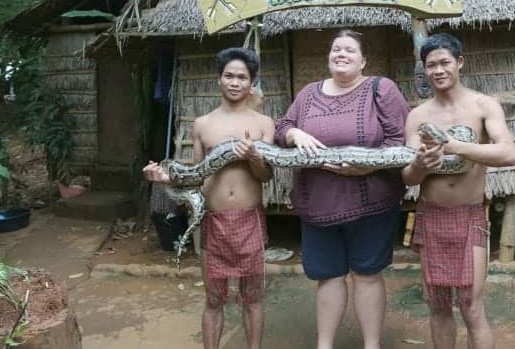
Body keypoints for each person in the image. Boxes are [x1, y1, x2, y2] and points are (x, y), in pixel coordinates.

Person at [275, 29, 410, 349]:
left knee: (367, 275)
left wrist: (370, 165)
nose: (341, 54)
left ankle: (372, 345)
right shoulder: (308, 93)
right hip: (317, 204)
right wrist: (294, 134)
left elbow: (400, 142)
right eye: (336, 49)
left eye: (350, 50)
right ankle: (325, 345)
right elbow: (281, 128)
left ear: (364, 60)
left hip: (371, 204)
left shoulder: (381, 89)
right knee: (328, 275)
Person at [143, 47, 275, 349]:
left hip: (249, 220)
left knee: (253, 299)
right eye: (229, 75)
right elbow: (197, 175)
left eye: (242, 77)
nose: (235, 82)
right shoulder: (202, 124)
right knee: (213, 299)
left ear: (251, 83)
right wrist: (166, 178)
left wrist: (254, 156)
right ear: (219, 80)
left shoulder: (264, 124)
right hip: (213, 222)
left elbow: (266, 176)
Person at [402, 33, 515, 349]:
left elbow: (507, 153)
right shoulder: (418, 116)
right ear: (424, 70)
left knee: (471, 305)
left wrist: (455, 146)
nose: (438, 70)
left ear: (459, 62)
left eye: (444, 62)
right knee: (437, 305)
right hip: (431, 215)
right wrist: (423, 164)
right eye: (431, 65)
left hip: (470, 215)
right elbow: (408, 178)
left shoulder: (483, 105)